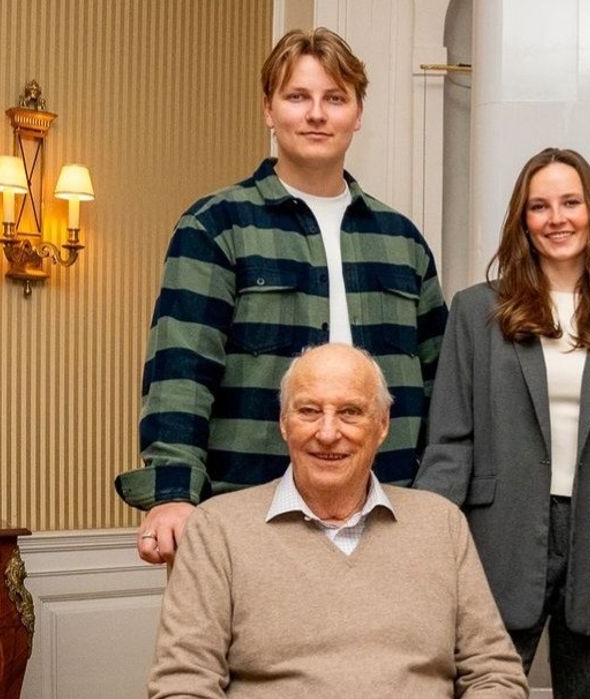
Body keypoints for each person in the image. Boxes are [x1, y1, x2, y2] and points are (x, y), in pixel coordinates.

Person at [114, 28, 447, 565]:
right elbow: (181, 369)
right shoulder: (216, 225)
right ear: (269, 110)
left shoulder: (401, 241)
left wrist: (432, 501)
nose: (316, 114)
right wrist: (174, 494)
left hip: (385, 517)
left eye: (334, 98)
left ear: (357, 113)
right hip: (250, 509)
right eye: (297, 97)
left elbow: (441, 387)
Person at [414, 148, 590, 697]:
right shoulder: (476, 312)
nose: (557, 219)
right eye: (540, 206)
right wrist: (425, 548)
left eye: (571, 203)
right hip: (496, 540)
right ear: (522, 221)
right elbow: (450, 443)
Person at [147, 344, 527, 697]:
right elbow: (184, 684)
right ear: (283, 423)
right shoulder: (217, 528)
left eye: (350, 412)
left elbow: (494, 672)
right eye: (309, 411)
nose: (328, 433)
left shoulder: (440, 523)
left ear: (381, 425)